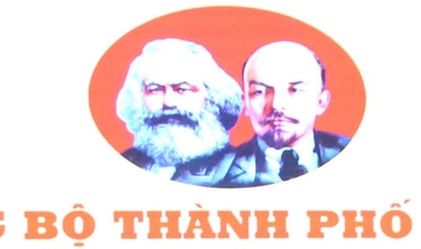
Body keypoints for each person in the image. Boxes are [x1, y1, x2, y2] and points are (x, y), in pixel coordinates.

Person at [115, 37, 243, 185]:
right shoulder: (123, 163)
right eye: (155, 90)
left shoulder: (238, 168)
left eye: (182, 89)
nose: (168, 102)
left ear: (211, 98)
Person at [224, 40, 350, 185]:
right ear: (244, 103)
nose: (277, 104)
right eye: (260, 91)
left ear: (321, 101)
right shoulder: (219, 173)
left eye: (295, 90)